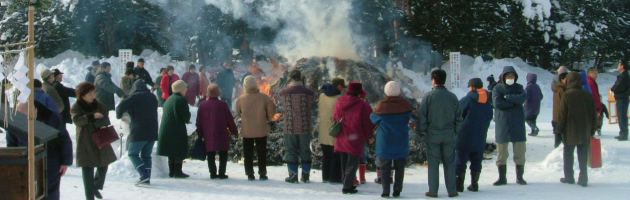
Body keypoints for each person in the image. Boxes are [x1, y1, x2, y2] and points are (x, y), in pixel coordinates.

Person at [8, 99, 73, 200]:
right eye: (21, 117)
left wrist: (66, 162)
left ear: (36, 111)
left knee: (49, 193)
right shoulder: (14, 120)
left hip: (50, 162)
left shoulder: (52, 117)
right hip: (24, 164)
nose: (24, 120)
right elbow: (11, 144)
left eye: (27, 116)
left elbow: (64, 140)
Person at [71, 82, 117, 200]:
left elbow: (105, 116)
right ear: (82, 95)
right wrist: (91, 117)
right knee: (87, 168)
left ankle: (96, 186)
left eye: (93, 93)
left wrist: (103, 123)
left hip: (101, 137)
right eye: (90, 94)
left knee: (104, 163)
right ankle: (89, 196)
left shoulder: (99, 104)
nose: (92, 96)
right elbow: (77, 120)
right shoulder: (77, 106)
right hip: (85, 140)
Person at [419, 69, 461, 198]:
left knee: (433, 163)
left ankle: (433, 190)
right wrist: (456, 131)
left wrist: (423, 130)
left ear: (433, 80)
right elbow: (458, 117)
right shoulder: (452, 97)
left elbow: (422, 116)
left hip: (433, 134)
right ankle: (452, 190)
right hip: (448, 134)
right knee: (449, 162)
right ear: (445, 80)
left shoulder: (428, 97)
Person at [371, 81, 412, 198]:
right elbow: (411, 116)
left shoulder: (381, 106)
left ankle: (385, 191)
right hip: (401, 140)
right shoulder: (405, 105)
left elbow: (373, 119)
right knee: (400, 167)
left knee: (385, 167)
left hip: (385, 141)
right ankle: (397, 190)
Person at [556, 71, 598, 187]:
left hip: (570, 131)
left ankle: (569, 176)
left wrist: (559, 131)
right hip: (584, 130)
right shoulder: (588, 95)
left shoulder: (567, 95)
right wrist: (593, 129)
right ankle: (583, 177)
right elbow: (593, 114)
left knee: (568, 153)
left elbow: (562, 115)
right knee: (583, 154)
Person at [334, 82, 374, 194]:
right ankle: (347, 186)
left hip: (342, 136)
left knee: (344, 161)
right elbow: (367, 123)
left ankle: (347, 183)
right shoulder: (363, 105)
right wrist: (370, 137)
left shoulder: (339, 102)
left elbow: (335, 118)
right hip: (355, 138)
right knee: (352, 163)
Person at [116, 80, 159, 185]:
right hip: (153, 131)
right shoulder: (153, 97)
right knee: (146, 156)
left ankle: (143, 175)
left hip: (139, 130)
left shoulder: (135, 97)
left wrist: (119, 115)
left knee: (132, 153)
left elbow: (120, 107)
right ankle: (147, 177)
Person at [492, 66, 528, 186]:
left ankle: (520, 176)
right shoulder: (497, 88)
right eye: (508, 76)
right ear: (503, 77)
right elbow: (498, 103)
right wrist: (514, 102)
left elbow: (522, 98)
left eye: (512, 76)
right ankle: (502, 177)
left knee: (520, 151)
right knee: (502, 152)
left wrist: (508, 97)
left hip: (517, 123)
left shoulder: (519, 87)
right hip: (502, 123)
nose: (510, 78)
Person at [455, 78, 493, 193]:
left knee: (461, 160)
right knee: (477, 159)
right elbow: (490, 117)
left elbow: (458, 114)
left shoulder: (468, 99)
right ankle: (474, 184)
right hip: (480, 135)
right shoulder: (488, 101)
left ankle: (459, 186)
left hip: (465, 135)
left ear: (471, 87)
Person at [236, 76, 276, 181]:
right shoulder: (264, 97)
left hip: (247, 130)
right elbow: (272, 109)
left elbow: (238, 113)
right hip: (261, 129)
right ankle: (262, 173)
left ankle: (250, 173)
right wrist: (267, 118)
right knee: (261, 152)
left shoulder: (241, 99)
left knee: (248, 152)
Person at [279, 70, 316, 184]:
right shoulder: (309, 92)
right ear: (301, 79)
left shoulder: (284, 92)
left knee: (291, 151)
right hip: (305, 126)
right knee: (305, 150)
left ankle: (293, 176)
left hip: (290, 126)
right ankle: (305, 176)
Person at [197, 84, 238, 179]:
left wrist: (200, 133)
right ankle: (222, 172)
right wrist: (234, 131)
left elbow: (199, 121)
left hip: (208, 133)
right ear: (218, 93)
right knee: (223, 152)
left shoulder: (203, 105)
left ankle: (212, 173)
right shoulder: (223, 104)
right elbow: (229, 119)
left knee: (210, 153)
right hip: (221, 132)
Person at [157, 80, 191, 178]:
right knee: (178, 150)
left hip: (167, 128)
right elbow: (185, 117)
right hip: (176, 128)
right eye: (185, 88)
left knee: (171, 151)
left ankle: (172, 171)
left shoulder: (169, 99)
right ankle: (178, 171)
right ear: (181, 89)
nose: (186, 90)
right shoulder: (181, 100)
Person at [318, 78, 345, 184]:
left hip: (323, 128)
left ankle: (325, 177)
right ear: (339, 86)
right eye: (343, 87)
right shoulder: (339, 98)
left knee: (326, 154)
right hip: (334, 129)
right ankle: (334, 177)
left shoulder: (321, 96)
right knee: (335, 155)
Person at [611, 58, 630, 141]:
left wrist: (613, 89)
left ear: (622, 66)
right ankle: (622, 132)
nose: (618, 66)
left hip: (623, 98)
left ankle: (624, 133)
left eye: (619, 64)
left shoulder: (624, 75)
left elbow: (619, 86)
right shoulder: (623, 75)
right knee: (621, 116)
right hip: (621, 98)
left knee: (622, 116)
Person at [553, 73, 569, 147]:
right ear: (562, 80)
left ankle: (556, 153)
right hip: (561, 117)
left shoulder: (557, 89)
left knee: (558, 138)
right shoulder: (563, 90)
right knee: (562, 139)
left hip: (557, 117)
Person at [587, 68, 604, 135]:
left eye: (597, 74)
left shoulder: (590, 82)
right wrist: (598, 108)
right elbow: (594, 96)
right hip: (592, 107)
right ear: (590, 74)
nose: (596, 75)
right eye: (595, 74)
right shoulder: (590, 82)